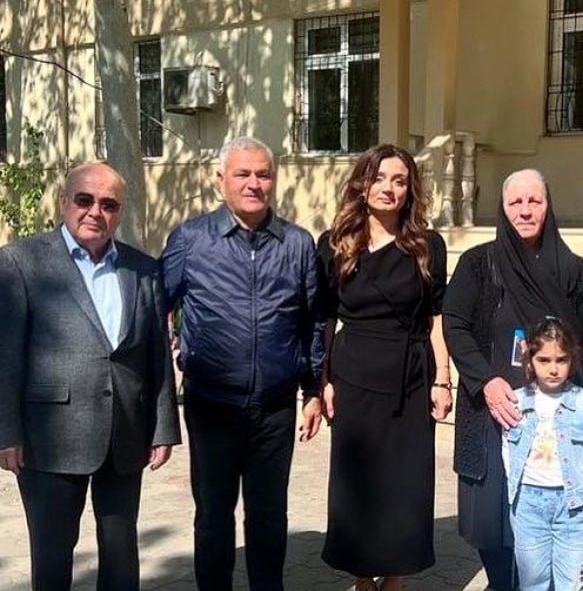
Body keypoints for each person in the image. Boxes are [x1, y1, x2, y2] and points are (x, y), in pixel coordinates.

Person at [0, 161, 181, 590]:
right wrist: (6, 432)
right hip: (49, 437)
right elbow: (6, 355)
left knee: (121, 553)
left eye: (108, 204)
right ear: (64, 201)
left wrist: (163, 427)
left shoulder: (142, 268)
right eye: (84, 200)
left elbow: (155, 352)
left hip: (125, 432)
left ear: (119, 212)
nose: (95, 211)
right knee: (52, 554)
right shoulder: (21, 261)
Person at [443, 168, 583, 591]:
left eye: (534, 201)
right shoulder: (478, 263)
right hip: (495, 409)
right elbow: (455, 324)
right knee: (493, 515)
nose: (525, 210)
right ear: (503, 208)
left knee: (557, 509)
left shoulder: (571, 269)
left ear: (548, 205)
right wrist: (485, 381)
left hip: (558, 413)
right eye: (515, 202)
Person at [161, 136, 324, 591]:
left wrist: (313, 389)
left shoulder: (296, 243)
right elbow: (154, 308)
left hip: (275, 407)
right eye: (243, 174)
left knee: (269, 515)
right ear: (221, 180)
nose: (254, 183)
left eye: (263, 174)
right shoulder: (191, 240)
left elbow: (313, 320)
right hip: (212, 404)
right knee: (214, 514)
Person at [317, 144, 452, 591]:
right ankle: (361, 574)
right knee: (357, 479)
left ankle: (395, 575)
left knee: (405, 480)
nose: (388, 188)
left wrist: (442, 379)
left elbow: (436, 316)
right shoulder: (335, 243)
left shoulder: (427, 245)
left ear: (410, 189)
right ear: (362, 184)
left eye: (399, 180)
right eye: (379, 178)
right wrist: (323, 380)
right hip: (353, 374)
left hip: (410, 376)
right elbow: (325, 316)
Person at [502, 317, 583, 591]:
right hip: (528, 502)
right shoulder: (517, 401)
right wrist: (513, 482)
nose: (553, 369)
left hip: (573, 505)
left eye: (561, 360)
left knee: (571, 578)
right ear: (530, 361)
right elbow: (507, 446)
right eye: (544, 360)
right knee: (532, 577)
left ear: (572, 360)